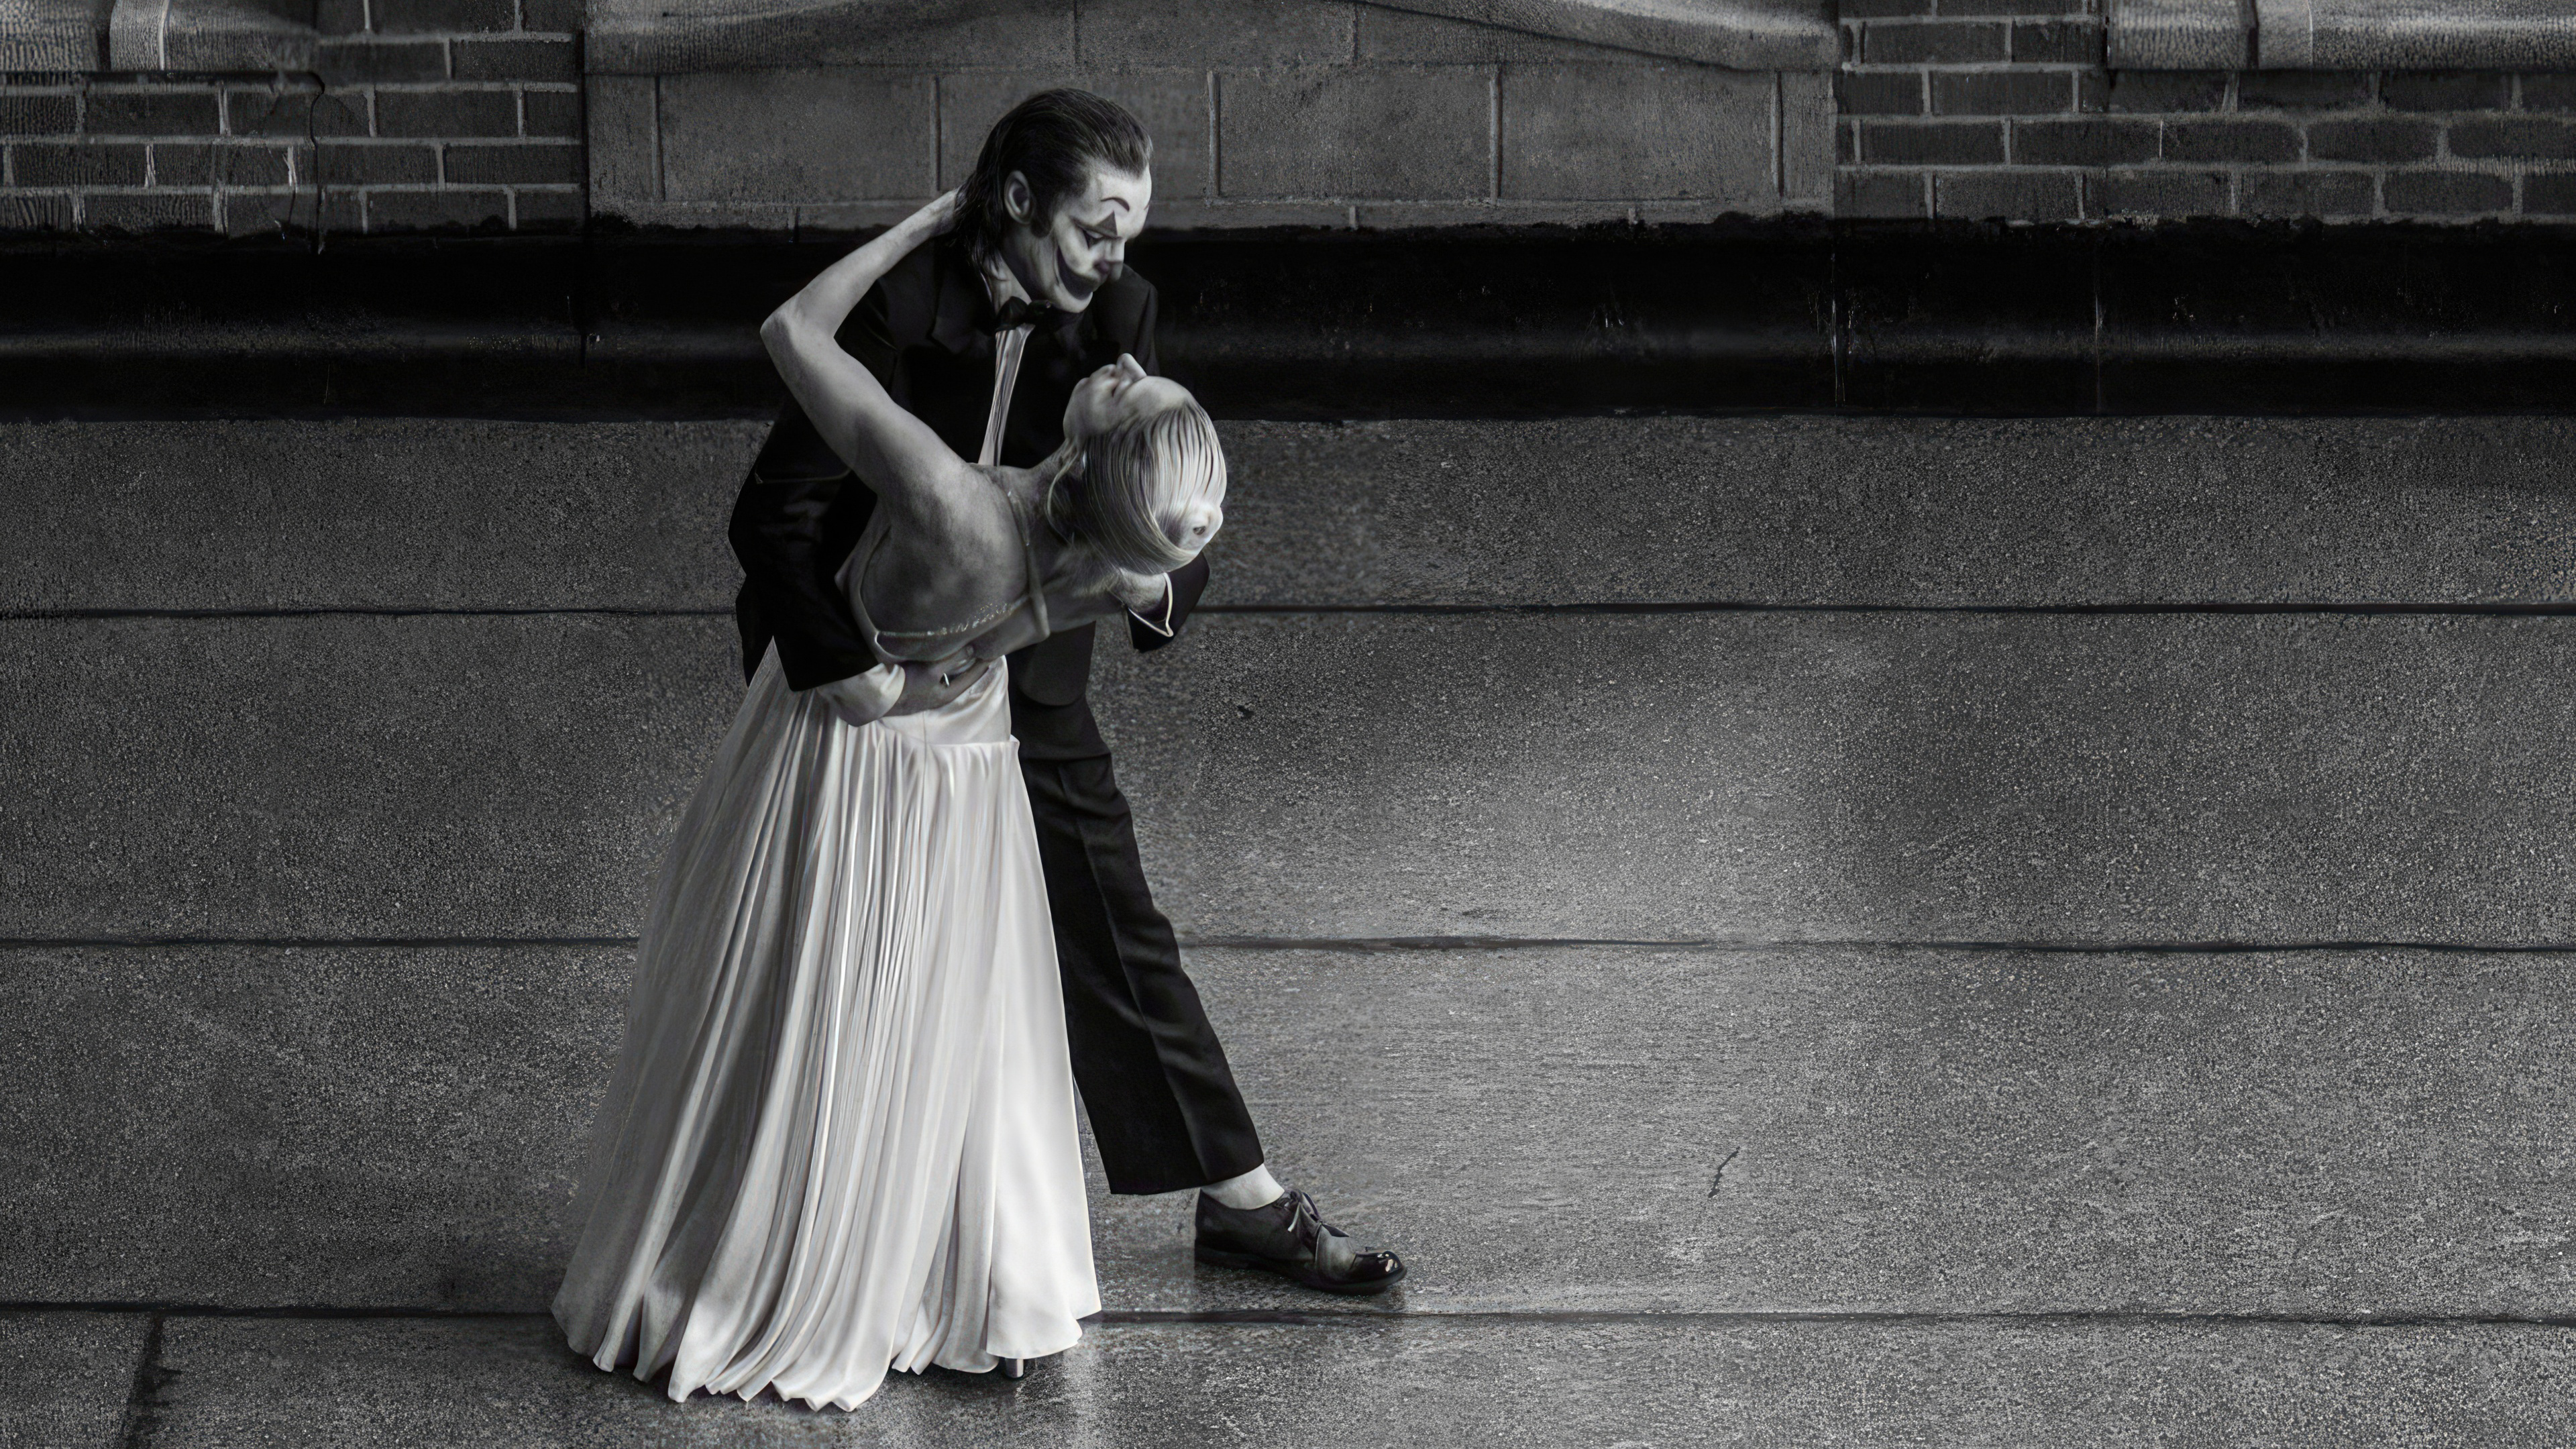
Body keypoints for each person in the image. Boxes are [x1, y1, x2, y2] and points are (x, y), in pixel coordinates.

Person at [549, 186, 1224, 1408]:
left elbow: (791, 332)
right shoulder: (1101, 565)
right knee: (946, 1041)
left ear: (1098, 443)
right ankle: (944, 1280)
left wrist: (914, 223)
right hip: (965, 787)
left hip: (850, 764)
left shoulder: (951, 496)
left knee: (806, 1011)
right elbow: (1158, 530)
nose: (1125, 357)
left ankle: (777, 1270)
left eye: (1133, 386)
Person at [724, 89, 1404, 1297]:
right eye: (1099, 225)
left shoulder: (1121, 316)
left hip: (1028, 672)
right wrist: (854, 678)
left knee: (1112, 915)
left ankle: (1241, 1202)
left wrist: (1145, 583)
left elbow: (1160, 496)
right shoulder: (901, 305)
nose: (1117, 257)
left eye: (1133, 229)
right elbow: (777, 514)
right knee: (847, 958)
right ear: (1022, 200)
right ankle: (825, 1240)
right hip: (861, 671)